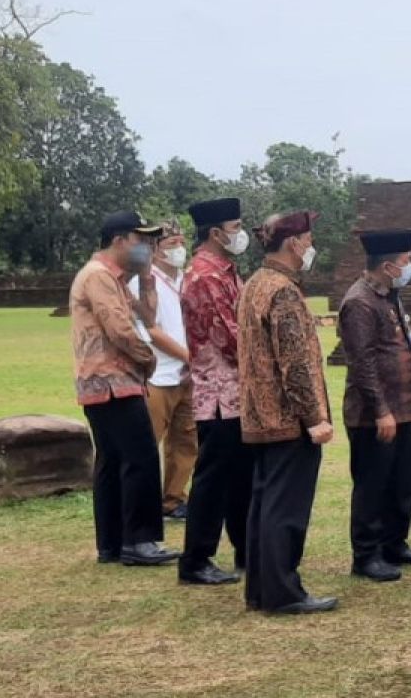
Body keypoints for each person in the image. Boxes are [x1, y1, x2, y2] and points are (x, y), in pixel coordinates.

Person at [238, 210, 337, 613]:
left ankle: (262, 588)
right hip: (286, 418)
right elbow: (294, 363)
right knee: (285, 508)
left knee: (265, 503)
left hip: (259, 416)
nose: (311, 246)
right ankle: (282, 592)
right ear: (294, 242)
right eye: (309, 239)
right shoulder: (283, 291)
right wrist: (314, 418)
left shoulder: (254, 285)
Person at [70, 210, 178, 566]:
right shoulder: (99, 277)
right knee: (141, 458)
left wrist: (146, 276)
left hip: (104, 383)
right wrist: (147, 361)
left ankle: (112, 543)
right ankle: (140, 540)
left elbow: (148, 316)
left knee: (112, 461)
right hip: (115, 382)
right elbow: (121, 329)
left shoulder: (113, 278)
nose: (147, 246)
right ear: (119, 240)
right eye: (141, 239)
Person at [340, 229, 411, 582]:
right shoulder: (360, 302)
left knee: (401, 481)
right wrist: (381, 410)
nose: (409, 267)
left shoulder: (389, 294)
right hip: (374, 415)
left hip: (403, 407)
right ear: (387, 266)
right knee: (372, 484)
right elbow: (362, 363)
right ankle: (366, 554)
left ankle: (395, 543)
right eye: (405, 262)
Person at [176, 198, 253, 586]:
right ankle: (196, 560)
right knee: (212, 480)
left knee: (240, 476)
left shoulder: (226, 271)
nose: (241, 233)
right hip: (219, 395)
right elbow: (229, 337)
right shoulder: (205, 276)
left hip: (235, 393)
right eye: (236, 226)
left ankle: (246, 550)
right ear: (215, 233)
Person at [128, 219, 198, 521]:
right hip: (158, 374)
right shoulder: (142, 281)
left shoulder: (188, 279)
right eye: (171, 244)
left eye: (181, 243)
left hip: (187, 376)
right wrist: (189, 356)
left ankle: (173, 499)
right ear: (155, 250)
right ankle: (137, 506)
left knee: (186, 441)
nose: (178, 249)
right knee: (146, 443)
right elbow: (151, 329)